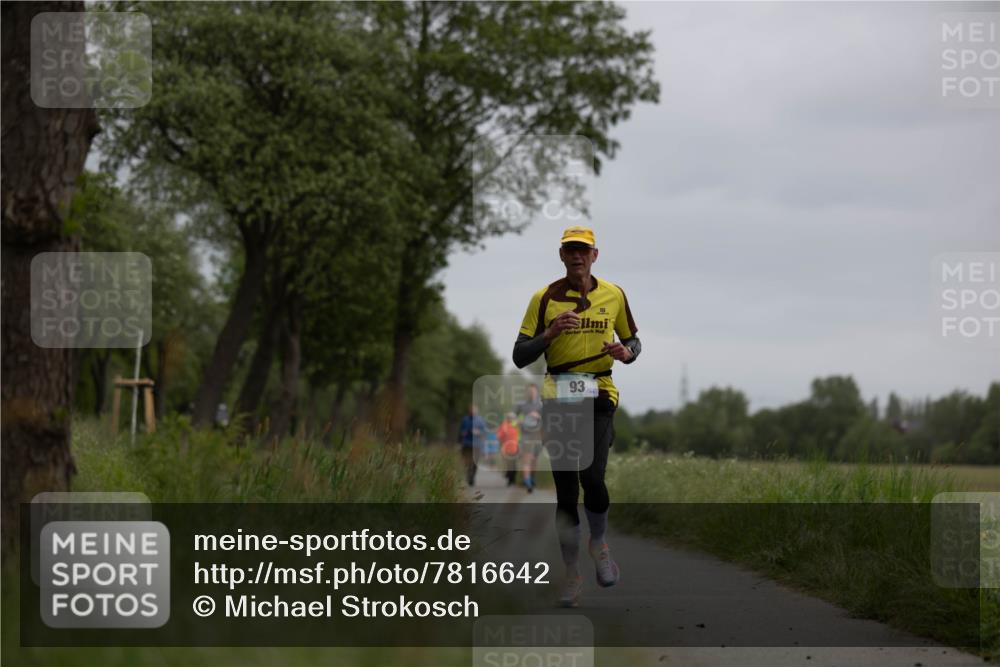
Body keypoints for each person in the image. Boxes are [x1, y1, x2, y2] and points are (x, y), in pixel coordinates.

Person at [512, 225, 641, 608]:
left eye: (583, 250)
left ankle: (598, 542)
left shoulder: (613, 294)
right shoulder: (544, 298)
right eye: (570, 250)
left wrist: (628, 352)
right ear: (561, 255)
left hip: (600, 392)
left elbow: (634, 339)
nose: (577, 257)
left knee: (592, 478)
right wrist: (549, 334)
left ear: (595, 255)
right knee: (567, 492)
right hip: (559, 395)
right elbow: (520, 355)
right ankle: (571, 575)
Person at [516, 383, 544, 493]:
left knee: (535, 460)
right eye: (529, 391)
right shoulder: (521, 405)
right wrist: (519, 420)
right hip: (526, 435)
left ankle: (531, 479)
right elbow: (512, 418)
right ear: (526, 393)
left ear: (537, 392)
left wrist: (539, 416)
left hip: (538, 435)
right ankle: (528, 483)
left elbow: (549, 420)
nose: (531, 393)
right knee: (526, 459)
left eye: (533, 391)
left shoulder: (541, 405)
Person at [458, 403, 487, 487]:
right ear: (469, 410)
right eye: (471, 409)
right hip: (466, 444)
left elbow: (484, 432)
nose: (472, 411)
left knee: (475, 462)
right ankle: (468, 476)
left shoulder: (480, 420)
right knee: (467, 462)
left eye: (474, 410)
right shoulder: (465, 419)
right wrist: (463, 434)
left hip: (477, 445)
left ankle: (472, 476)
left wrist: (478, 432)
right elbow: (460, 431)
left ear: (477, 411)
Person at [496, 412, 521, 486]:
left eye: (512, 418)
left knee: (514, 464)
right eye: (509, 418)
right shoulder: (504, 425)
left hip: (516, 447)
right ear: (507, 418)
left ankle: (512, 479)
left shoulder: (517, 425)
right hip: (506, 448)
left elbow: (522, 433)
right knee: (509, 464)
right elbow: (499, 435)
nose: (511, 419)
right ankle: (510, 479)